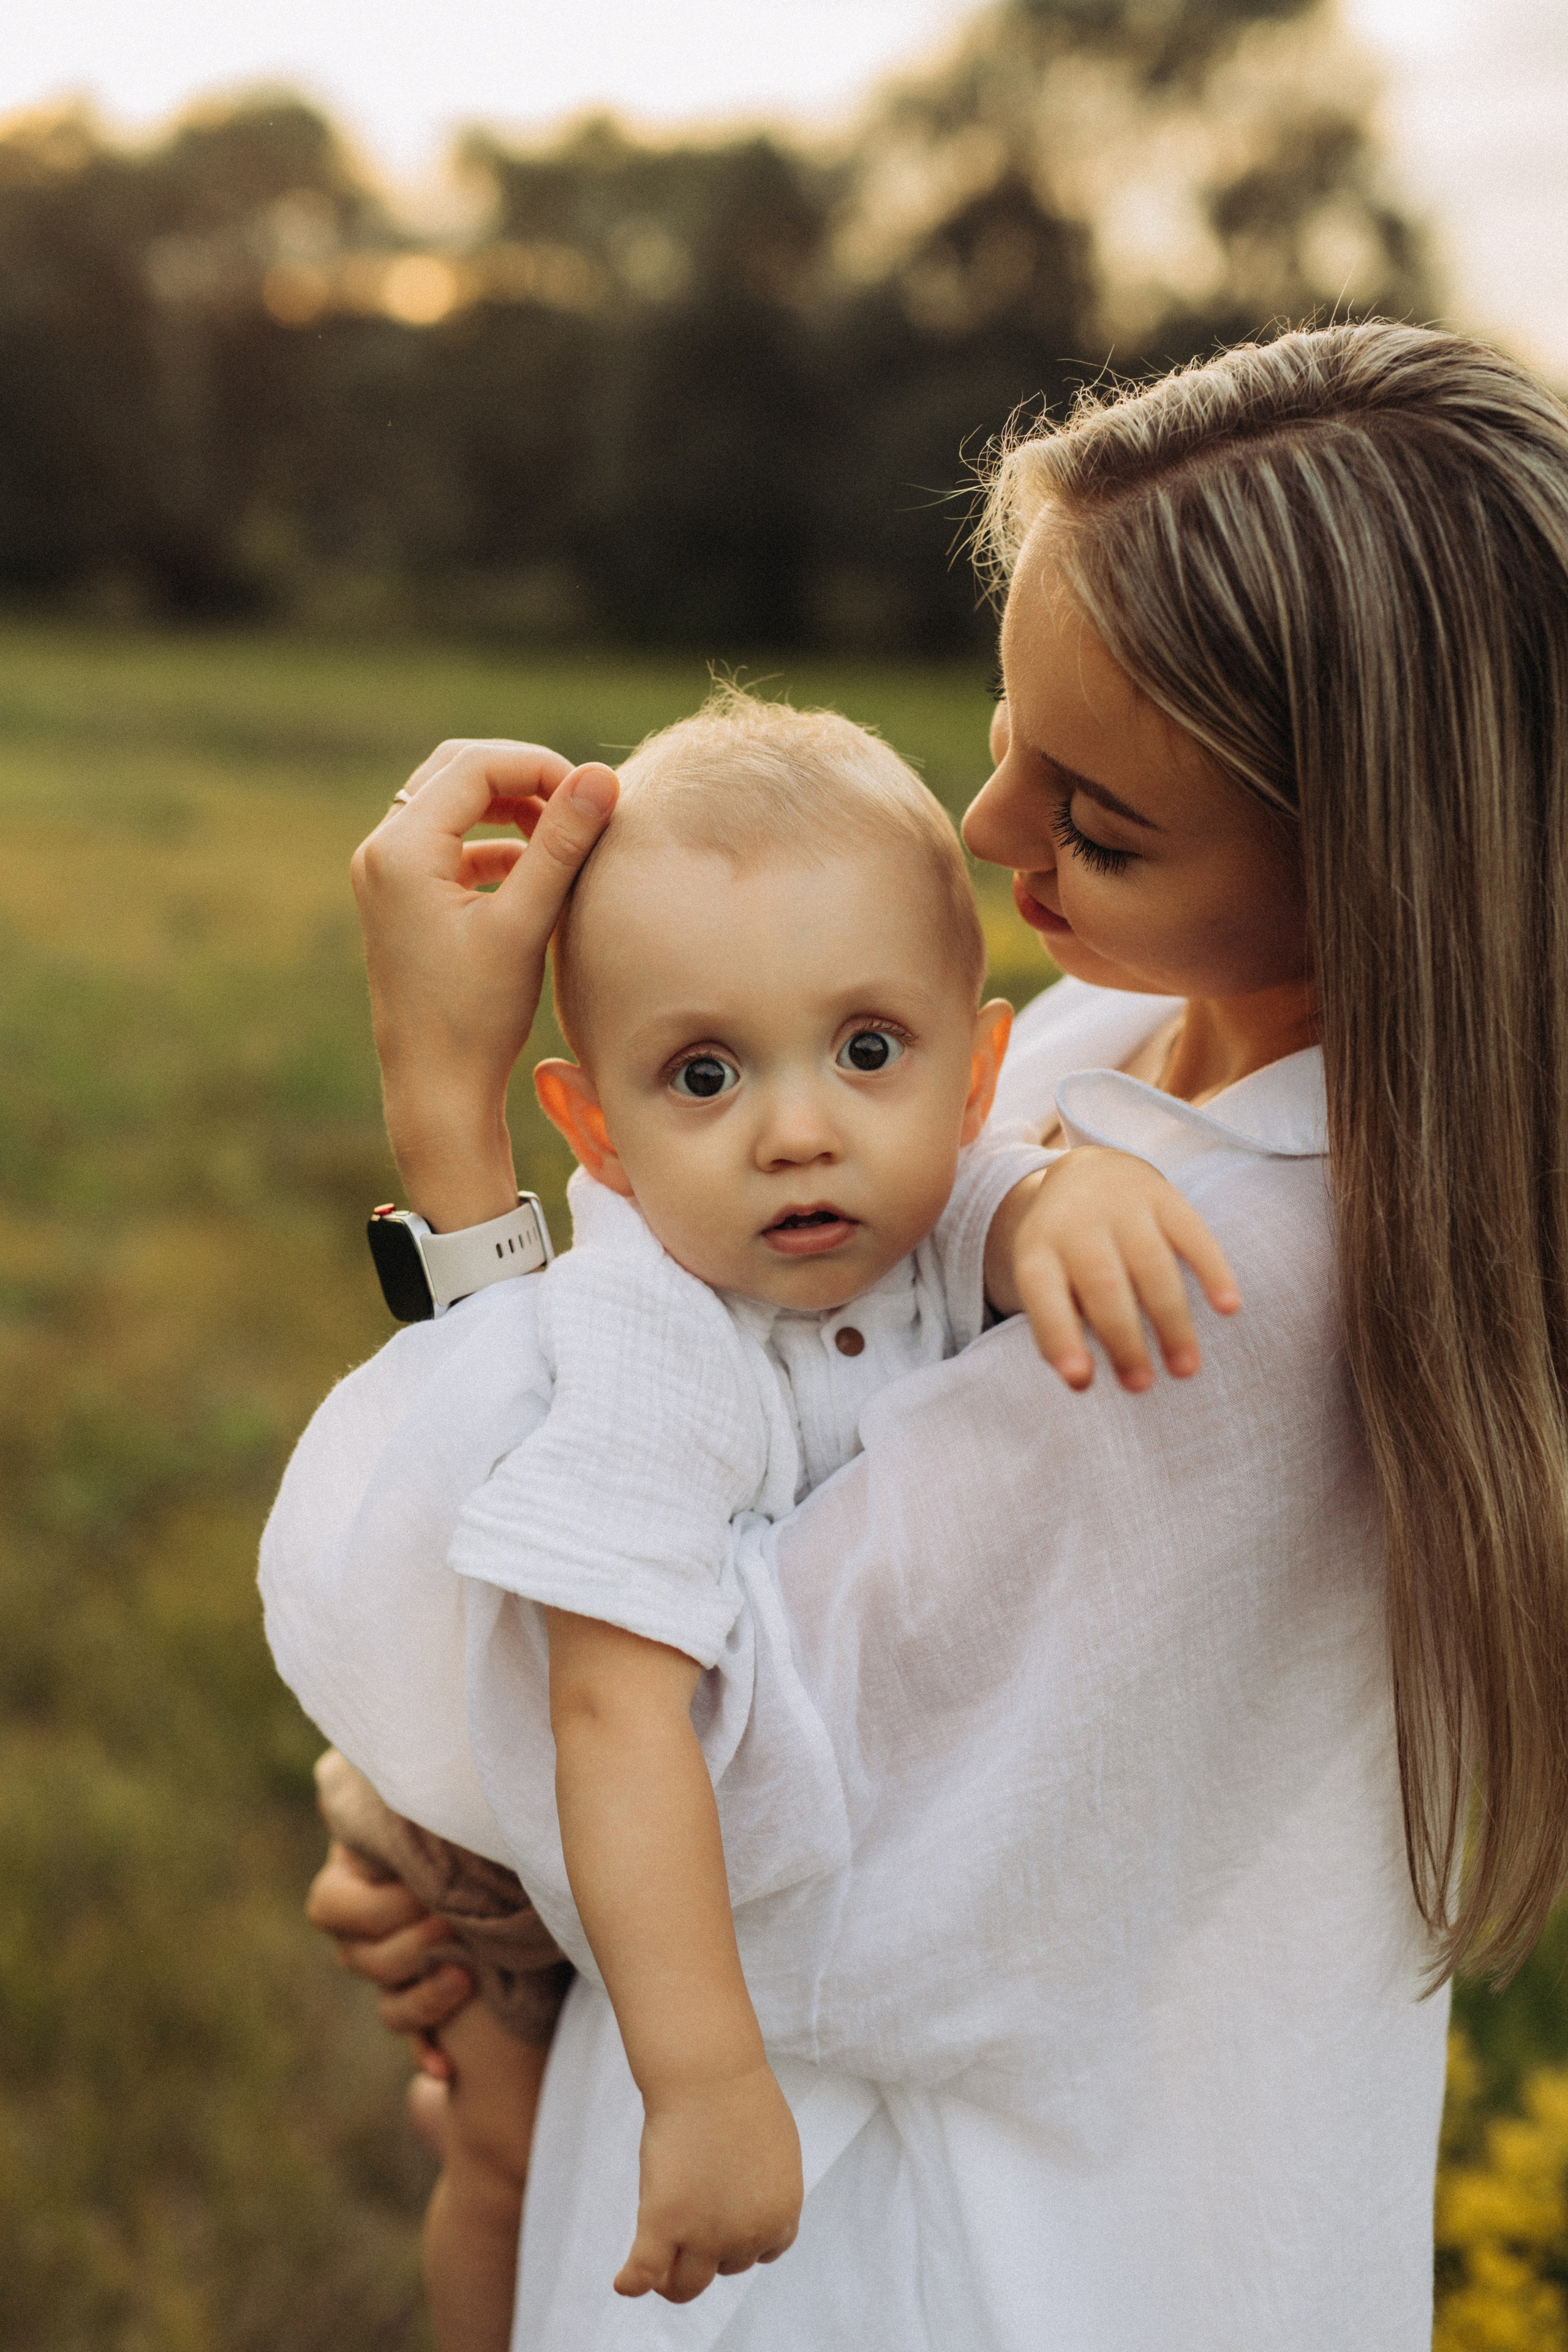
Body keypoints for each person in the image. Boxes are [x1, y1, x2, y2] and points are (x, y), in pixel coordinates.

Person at [301, 322, 1568, 2348]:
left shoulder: (1224, 1312)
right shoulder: (1093, 1046)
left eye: (1102, 819)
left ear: (1386, 863)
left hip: (919, 2272)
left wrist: (455, 1147)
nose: (985, 834)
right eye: (1007, 730)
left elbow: (711, 1802)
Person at [270, 688, 1237, 2351]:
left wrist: (1070, 1191)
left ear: (976, 1070)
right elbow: (606, 1705)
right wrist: (702, 2081)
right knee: (500, 2151)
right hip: (536, 1820)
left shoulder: (946, 1186)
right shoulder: (658, 1334)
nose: (800, 1131)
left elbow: (992, 1197)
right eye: (701, 1074)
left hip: (685, 1811)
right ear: (598, 1138)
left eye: (869, 1049)